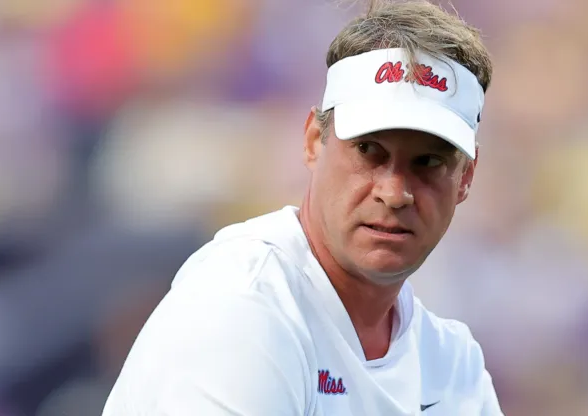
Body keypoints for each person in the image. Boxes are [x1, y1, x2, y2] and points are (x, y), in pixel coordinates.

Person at [102, 0, 503, 414]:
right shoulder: (242, 305)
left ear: (466, 177)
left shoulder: (453, 363)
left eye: (429, 161)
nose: (394, 191)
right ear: (314, 140)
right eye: (369, 150)